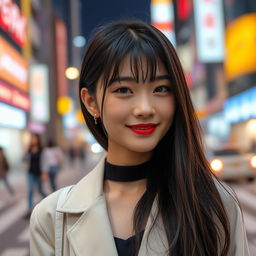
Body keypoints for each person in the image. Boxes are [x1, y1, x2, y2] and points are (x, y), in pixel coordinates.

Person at [30, 20, 249, 256]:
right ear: (91, 102)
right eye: (124, 90)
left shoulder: (215, 204)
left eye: (161, 89)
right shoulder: (52, 218)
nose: (145, 108)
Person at [24, 134, 47, 217]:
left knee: (40, 190)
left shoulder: (42, 149)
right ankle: (30, 210)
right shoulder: (29, 149)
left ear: (38, 139)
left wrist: (44, 173)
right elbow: (23, 159)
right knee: (30, 190)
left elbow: (45, 161)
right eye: (32, 138)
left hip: (39, 173)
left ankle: (48, 201)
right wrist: (27, 150)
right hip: (30, 173)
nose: (33, 140)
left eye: (35, 138)